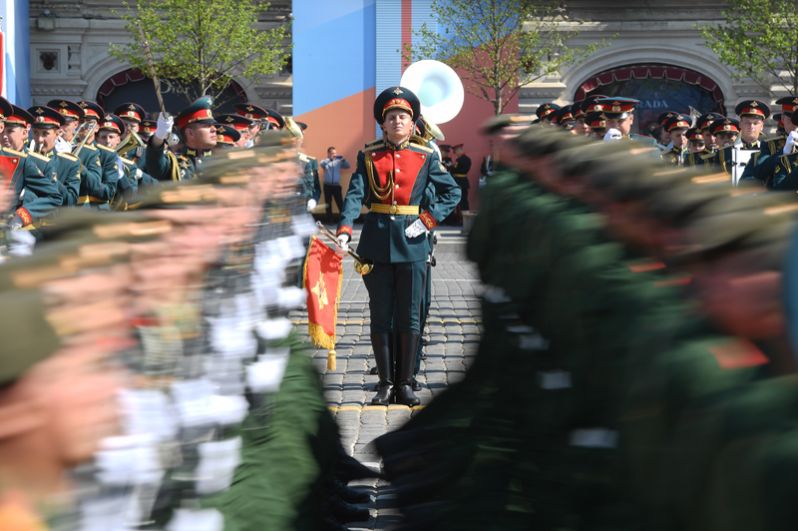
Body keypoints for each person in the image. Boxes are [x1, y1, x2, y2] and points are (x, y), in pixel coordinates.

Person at [335, 86, 461, 406]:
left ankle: (405, 382)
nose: (397, 122)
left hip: (413, 241)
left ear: (412, 122)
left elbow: (451, 194)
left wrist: (427, 223)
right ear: (383, 123)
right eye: (391, 117)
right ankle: (385, 383)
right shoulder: (368, 155)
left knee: (410, 316)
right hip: (376, 241)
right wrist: (346, 229)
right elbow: (354, 196)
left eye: (402, 117)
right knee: (381, 314)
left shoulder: (425, 156)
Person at [146, 97, 218, 182]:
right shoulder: (175, 164)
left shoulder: (223, 162)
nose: (214, 129)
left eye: (214, 125)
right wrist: (159, 136)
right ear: (190, 133)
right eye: (207, 126)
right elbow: (155, 167)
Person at [320, 146, 350, 221]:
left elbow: (347, 166)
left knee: (340, 203)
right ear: (329, 153)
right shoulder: (325, 161)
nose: (335, 154)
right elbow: (322, 164)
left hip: (336, 186)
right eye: (333, 153)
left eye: (335, 153)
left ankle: (344, 219)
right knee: (328, 204)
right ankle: (330, 220)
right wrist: (330, 159)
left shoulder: (338, 161)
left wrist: (344, 160)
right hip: (327, 186)